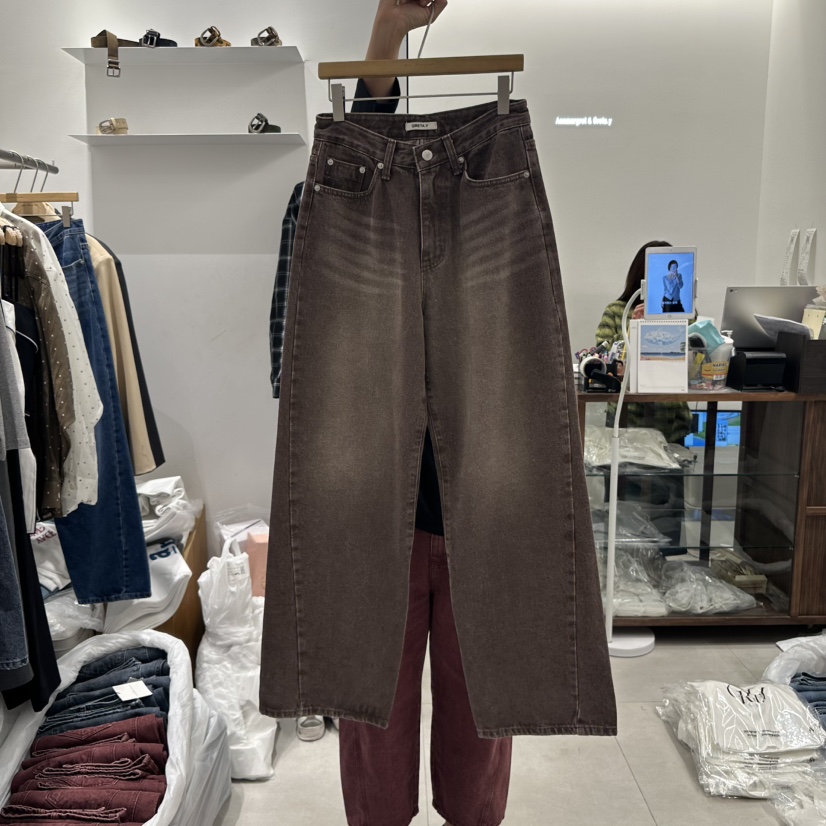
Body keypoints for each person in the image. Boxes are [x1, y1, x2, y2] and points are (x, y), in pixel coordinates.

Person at [269, 3, 511, 826]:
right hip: (374, 511)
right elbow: (300, 379)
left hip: (478, 501)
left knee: (483, 711)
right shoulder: (328, 206)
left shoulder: (491, 214)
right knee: (372, 711)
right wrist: (387, 33)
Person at [595, 240, 692, 443]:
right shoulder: (617, 311)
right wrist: (633, 328)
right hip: (626, 418)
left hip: (672, 419)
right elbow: (602, 358)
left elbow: (695, 359)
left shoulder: (684, 314)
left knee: (671, 462)